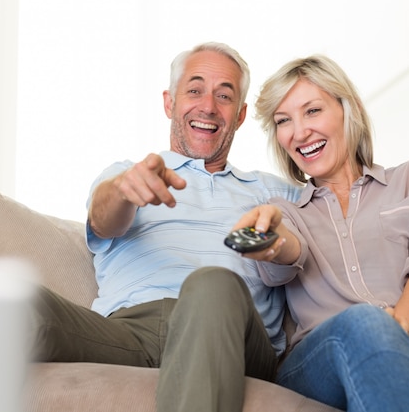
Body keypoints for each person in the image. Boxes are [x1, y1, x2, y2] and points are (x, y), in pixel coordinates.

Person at [31, 41, 302, 412]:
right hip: (128, 333)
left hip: (230, 331)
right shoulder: (128, 174)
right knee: (14, 302)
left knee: (212, 283)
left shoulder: (276, 191)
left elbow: (332, 225)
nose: (208, 106)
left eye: (224, 96)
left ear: (239, 116)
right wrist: (125, 191)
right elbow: (102, 219)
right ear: (169, 102)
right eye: (194, 90)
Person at [232, 54, 409, 412]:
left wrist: (392, 334)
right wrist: (271, 240)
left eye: (312, 111)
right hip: (324, 354)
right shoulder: (287, 211)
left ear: (347, 109)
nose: (299, 131)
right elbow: (288, 251)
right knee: (362, 323)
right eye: (283, 121)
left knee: (397, 375)